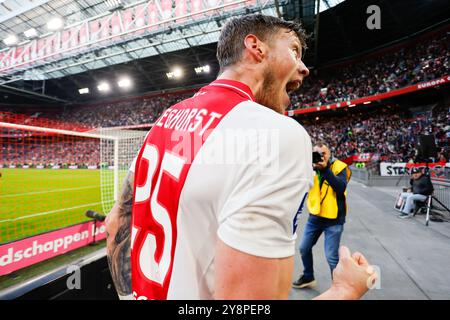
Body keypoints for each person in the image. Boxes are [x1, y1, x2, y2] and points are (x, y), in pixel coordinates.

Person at [105, 14, 376, 300]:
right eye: (294, 51)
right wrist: (346, 290)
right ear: (256, 48)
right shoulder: (277, 134)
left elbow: (116, 226)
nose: (304, 68)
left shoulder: (166, 120)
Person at [293, 142, 352, 289]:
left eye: (323, 154)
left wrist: (325, 169)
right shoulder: (309, 168)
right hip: (315, 217)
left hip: (334, 219)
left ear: (329, 153)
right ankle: (308, 276)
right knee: (303, 248)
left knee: (331, 257)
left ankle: (338, 288)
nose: (321, 157)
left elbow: (340, 188)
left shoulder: (339, 167)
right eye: (317, 154)